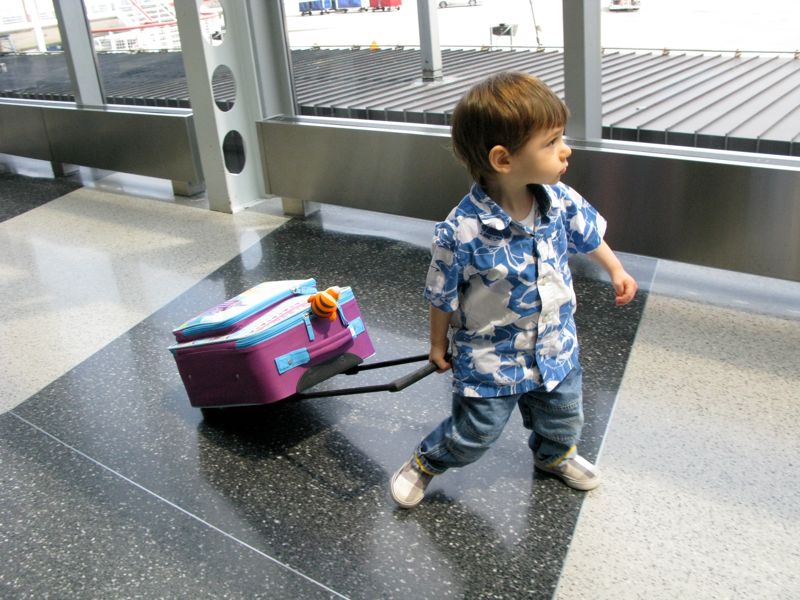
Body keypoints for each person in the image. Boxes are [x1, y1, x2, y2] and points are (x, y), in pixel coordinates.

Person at [390, 72, 638, 509]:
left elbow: (587, 235)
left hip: (555, 344)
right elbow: (441, 295)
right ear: (503, 159)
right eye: (552, 142)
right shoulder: (460, 231)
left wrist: (615, 267)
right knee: (475, 433)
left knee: (563, 417)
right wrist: (436, 345)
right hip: (491, 357)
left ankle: (554, 456)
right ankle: (427, 461)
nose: (566, 150)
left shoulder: (559, 199)